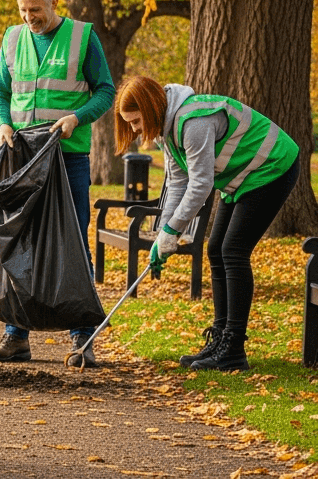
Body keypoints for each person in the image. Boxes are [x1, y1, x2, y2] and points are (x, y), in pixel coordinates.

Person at [114, 76, 299, 371]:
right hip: (241, 176)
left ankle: (233, 349)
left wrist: (174, 230)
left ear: (149, 108)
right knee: (216, 250)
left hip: (271, 165)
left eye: (136, 121)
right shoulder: (166, 131)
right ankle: (220, 338)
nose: (135, 130)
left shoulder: (193, 121)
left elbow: (201, 184)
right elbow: (178, 182)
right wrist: (164, 233)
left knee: (233, 252)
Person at [0, 0, 115, 368]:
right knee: (19, 242)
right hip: (23, 158)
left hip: (66, 157)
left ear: (54, 3)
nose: (29, 17)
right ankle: (16, 336)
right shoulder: (12, 39)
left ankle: (83, 338)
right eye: (23, 10)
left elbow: (105, 90)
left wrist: (77, 117)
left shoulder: (82, 37)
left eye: (35, 9)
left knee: (72, 243)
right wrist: (2, 123)